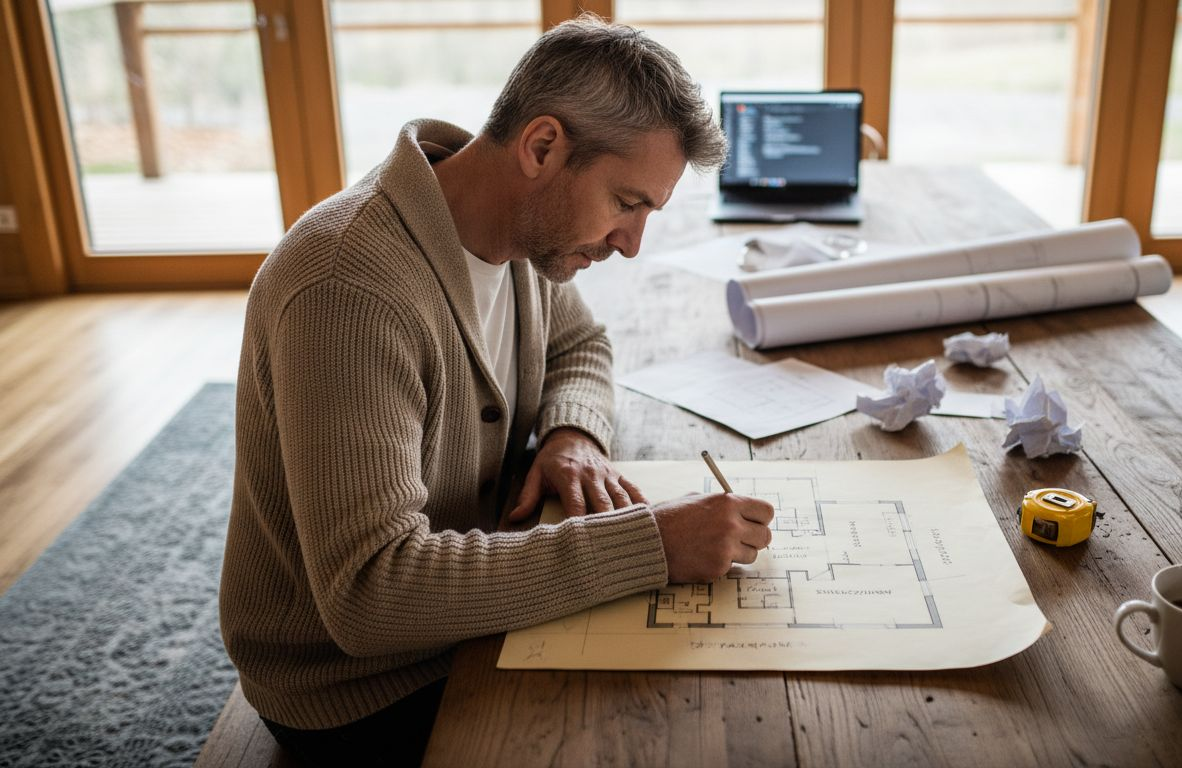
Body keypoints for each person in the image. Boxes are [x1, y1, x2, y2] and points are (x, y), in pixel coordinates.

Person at [218, 14, 774, 767]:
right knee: (681, 734)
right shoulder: (346, 287)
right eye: (626, 202)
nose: (631, 242)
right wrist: (652, 545)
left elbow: (580, 344)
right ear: (542, 146)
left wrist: (571, 434)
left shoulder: (512, 235)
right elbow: (371, 594)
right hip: (359, 690)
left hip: (472, 610)